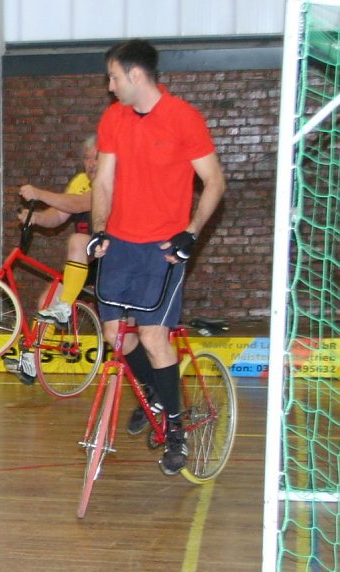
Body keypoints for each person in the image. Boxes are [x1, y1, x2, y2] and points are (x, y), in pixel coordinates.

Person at [88, 40, 226, 475]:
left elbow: (215, 183)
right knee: (117, 336)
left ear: (135, 75)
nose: (109, 86)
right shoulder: (113, 119)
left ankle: (176, 426)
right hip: (120, 246)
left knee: (151, 336)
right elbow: (103, 182)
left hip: (163, 250)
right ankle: (154, 392)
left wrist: (190, 233)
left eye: (113, 76)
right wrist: (97, 231)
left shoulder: (184, 118)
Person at [4, 135, 97, 385]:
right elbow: (58, 215)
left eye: (96, 157)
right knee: (46, 300)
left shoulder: (111, 181)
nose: (91, 163)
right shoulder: (80, 181)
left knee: (78, 240)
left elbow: (79, 204)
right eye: (87, 158)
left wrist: (39, 193)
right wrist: (35, 218)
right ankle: (31, 363)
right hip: (85, 260)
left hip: (113, 256)